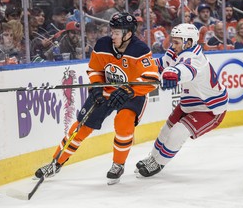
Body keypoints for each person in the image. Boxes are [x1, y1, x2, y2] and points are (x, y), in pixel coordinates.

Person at [35, 12, 159, 184]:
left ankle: (118, 164)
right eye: (112, 31)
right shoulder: (102, 45)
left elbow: (152, 80)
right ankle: (56, 163)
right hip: (106, 90)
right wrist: (96, 88)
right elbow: (94, 70)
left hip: (131, 93)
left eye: (117, 32)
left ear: (128, 34)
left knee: (124, 123)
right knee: (80, 127)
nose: (112, 35)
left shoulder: (140, 50)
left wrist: (127, 90)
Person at [135, 23, 228, 177]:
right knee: (166, 129)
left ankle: (159, 163)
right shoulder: (177, 50)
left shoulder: (196, 59)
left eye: (177, 42)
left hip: (209, 108)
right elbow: (162, 65)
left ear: (189, 42)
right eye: (173, 41)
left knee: (177, 132)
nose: (173, 45)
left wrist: (171, 74)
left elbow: (185, 69)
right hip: (188, 104)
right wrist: (140, 68)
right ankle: (153, 157)